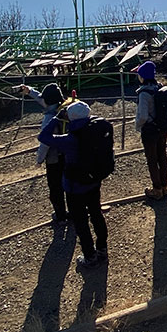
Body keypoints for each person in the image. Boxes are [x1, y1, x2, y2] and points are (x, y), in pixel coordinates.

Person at [38, 100, 108, 269]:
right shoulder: (97, 131)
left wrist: (56, 118)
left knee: (81, 221)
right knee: (96, 214)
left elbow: (43, 137)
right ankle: (102, 248)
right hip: (93, 181)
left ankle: (89, 255)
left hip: (74, 187)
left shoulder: (69, 139)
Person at [19, 82, 69, 223]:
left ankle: (61, 215)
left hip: (55, 158)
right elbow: (44, 100)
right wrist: (30, 91)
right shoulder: (63, 107)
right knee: (70, 183)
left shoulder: (49, 118)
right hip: (69, 153)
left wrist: (39, 160)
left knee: (55, 188)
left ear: (47, 100)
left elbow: (45, 143)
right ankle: (74, 211)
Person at [134, 60, 167, 200]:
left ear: (142, 76)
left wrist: (138, 126)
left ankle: (157, 189)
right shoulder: (159, 87)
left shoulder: (144, 93)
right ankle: (164, 186)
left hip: (149, 130)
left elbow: (142, 115)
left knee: (152, 160)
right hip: (162, 128)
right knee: (162, 156)